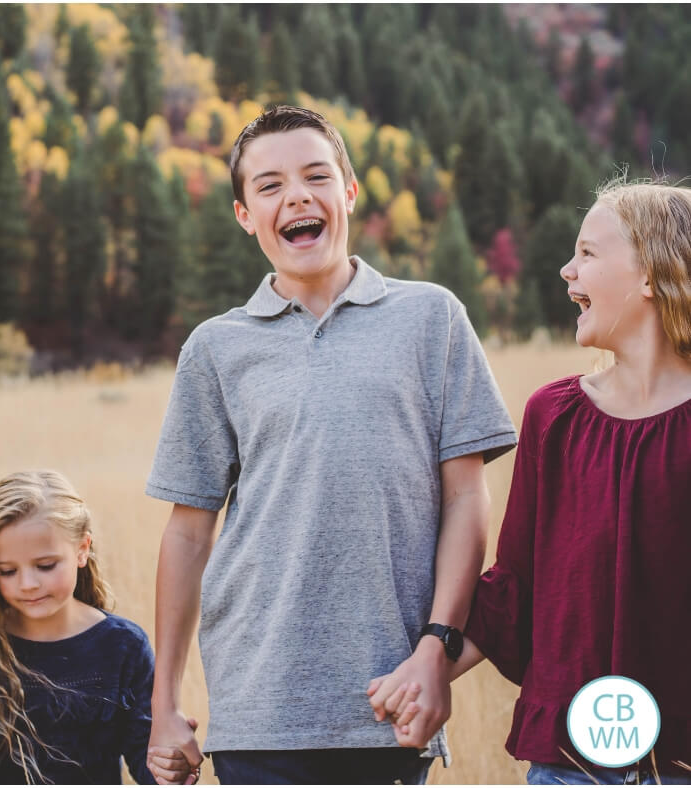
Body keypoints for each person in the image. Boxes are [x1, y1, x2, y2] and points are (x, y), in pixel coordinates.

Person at [145, 105, 517, 785]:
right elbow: (189, 533)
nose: (296, 196)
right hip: (257, 709)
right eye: (269, 186)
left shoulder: (431, 319)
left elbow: (467, 497)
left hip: (388, 700)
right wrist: (163, 704)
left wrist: (437, 647)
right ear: (244, 215)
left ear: (348, 191)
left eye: (316, 175)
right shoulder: (217, 349)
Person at [370, 180, 691, 784]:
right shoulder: (556, 416)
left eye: (589, 254)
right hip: (566, 766)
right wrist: (429, 666)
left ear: (652, 273)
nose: (567, 270)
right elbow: (515, 588)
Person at [0, 470, 194, 785]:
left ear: (82, 549)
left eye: (45, 566)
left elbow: (148, 762)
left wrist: (171, 766)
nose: (27, 584)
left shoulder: (123, 647)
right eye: (7, 571)